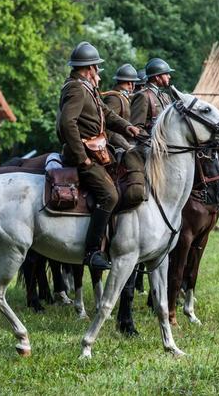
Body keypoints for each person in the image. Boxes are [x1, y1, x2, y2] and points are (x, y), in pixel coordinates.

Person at [56, 42, 140, 270]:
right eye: (96, 67)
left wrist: (128, 128)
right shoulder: (75, 88)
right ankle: (92, 252)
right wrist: (82, 156)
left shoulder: (87, 88)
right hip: (83, 156)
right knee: (110, 196)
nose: (98, 72)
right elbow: (67, 123)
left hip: (97, 152)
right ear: (89, 68)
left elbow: (105, 113)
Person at [130, 58, 175, 133]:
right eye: (166, 74)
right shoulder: (143, 96)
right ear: (157, 77)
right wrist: (154, 140)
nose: (169, 77)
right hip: (149, 142)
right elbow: (136, 127)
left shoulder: (165, 96)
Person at [102, 64, 139, 150]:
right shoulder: (114, 98)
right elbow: (105, 124)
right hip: (116, 146)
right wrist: (125, 145)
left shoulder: (122, 97)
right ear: (131, 83)